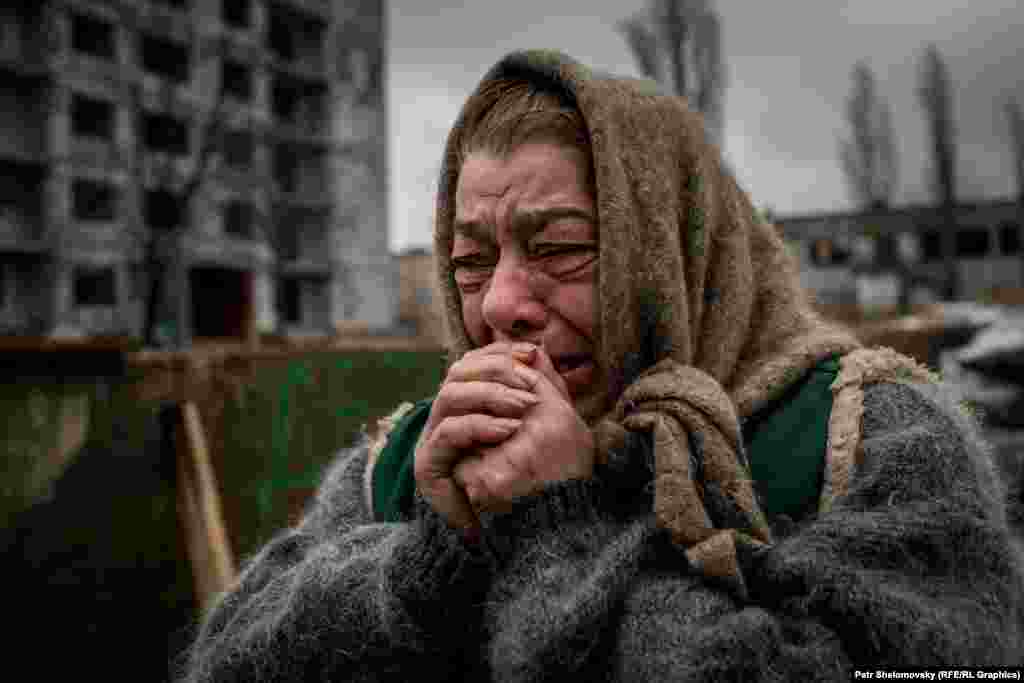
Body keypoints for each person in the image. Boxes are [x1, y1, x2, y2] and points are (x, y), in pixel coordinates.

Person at [180, 50, 1024, 681]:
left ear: (673, 253)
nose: (502, 303)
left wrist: (559, 525)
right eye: (471, 259)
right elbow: (227, 662)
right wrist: (430, 562)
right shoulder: (407, 467)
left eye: (561, 248)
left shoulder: (867, 440)